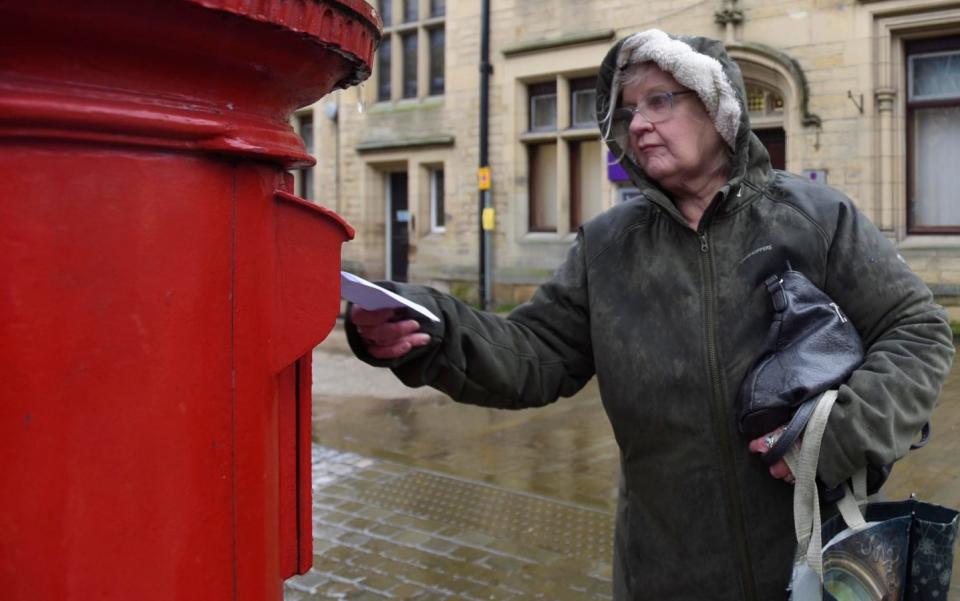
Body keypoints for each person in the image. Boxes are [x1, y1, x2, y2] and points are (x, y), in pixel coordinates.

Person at [345, 29, 955, 600]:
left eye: (660, 101)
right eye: (628, 110)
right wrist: (432, 329)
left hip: (814, 558)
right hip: (666, 566)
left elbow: (919, 332)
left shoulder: (816, 217)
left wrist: (842, 434)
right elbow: (532, 356)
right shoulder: (607, 247)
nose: (638, 124)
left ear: (718, 107)